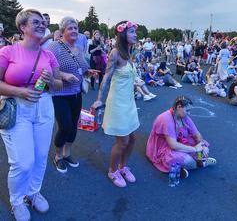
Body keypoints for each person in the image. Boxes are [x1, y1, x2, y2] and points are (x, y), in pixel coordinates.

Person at [0, 9, 63, 221]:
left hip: (44, 107)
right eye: (35, 22)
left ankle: (33, 192)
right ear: (23, 27)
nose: (41, 25)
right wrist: (20, 91)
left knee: (40, 157)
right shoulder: (8, 52)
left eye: (42, 22)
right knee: (22, 162)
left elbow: (58, 84)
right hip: (17, 108)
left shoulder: (49, 55)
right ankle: (17, 201)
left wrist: (51, 81)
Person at [92, 21, 140, 188]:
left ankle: (123, 167)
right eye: (132, 32)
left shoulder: (130, 51)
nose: (135, 34)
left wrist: (137, 83)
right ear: (122, 34)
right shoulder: (115, 53)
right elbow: (106, 77)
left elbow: (128, 76)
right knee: (123, 142)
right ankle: (112, 171)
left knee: (133, 138)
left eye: (135, 32)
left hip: (129, 102)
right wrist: (99, 98)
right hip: (118, 103)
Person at [48, 16, 92, 173]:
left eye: (76, 28)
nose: (74, 31)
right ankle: (58, 156)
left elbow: (82, 68)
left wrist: (88, 72)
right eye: (70, 28)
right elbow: (46, 68)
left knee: (73, 126)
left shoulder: (78, 49)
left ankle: (67, 154)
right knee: (65, 126)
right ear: (62, 31)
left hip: (76, 93)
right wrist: (65, 75)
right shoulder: (54, 47)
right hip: (60, 94)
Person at [146, 96, 217, 177]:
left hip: (179, 140)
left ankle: (182, 167)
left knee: (205, 148)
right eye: (187, 110)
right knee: (188, 160)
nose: (189, 113)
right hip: (164, 146)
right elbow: (173, 145)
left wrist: (201, 144)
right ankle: (200, 163)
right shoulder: (166, 119)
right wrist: (195, 149)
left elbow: (197, 134)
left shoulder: (184, 116)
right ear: (179, 107)